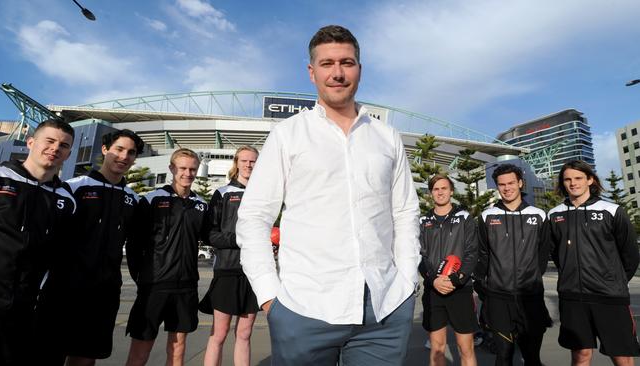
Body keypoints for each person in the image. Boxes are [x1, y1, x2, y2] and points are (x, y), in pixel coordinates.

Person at [236, 25, 421, 365]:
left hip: (382, 309)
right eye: (327, 63)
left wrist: (407, 280)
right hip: (304, 308)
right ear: (311, 72)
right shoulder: (287, 135)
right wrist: (269, 296)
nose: (337, 73)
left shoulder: (386, 137)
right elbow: (254, 217)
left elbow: (405, 213)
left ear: (359, 70)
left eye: (347, 62)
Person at [37, 129, 144, 365]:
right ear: (105, 149)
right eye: (118, 149)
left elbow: (137, 246)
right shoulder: (73, 187)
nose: (124, 156)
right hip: (63, 291)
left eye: (131, 153)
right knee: (50, 355)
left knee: (86, 359)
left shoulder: (133, 199)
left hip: (104, 293)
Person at [0, 119, 76, 366]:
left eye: (63, 145)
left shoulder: (66, 199)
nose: (55, 148)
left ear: (68, 154)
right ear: (30, 142)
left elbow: (61, 251)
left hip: (27, 308)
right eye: (49, 141)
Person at [547, 160, 640, 366]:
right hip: (572, 298)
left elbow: (631, 255)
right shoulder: (554, 215)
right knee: (580, 356)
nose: (573, 183)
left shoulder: (612, 210)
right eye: (568, 179)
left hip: (609, 297)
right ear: (563, 183)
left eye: (578, 178)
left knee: (622, 357)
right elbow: (556, 253)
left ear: (590, 180)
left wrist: (613, 281)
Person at [125, 148, 209, 366]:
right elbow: (134, 245)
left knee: (178, 347)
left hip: (186, 287)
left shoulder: (200, 205)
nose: (187, 173)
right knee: (140, 349)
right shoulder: (151, 200)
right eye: (182, 168)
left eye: (192, 169)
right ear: (172, 168)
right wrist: (142, 278)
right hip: (154, 286)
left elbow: (211, 237)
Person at [474, 163, 551, 366]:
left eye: (511, 183)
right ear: (497, 187)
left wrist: (531, 277)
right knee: (503, 356)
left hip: (530, 298)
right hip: (498, 298)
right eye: (502, 184)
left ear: (520, 183)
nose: (507, 188)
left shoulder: (539, 215)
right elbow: (482, 255)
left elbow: (542, 255)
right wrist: (484, 287)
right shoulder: (486, 216)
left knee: (532, 358)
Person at [200, 145, 260, 366]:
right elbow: (209, 235)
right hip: (227, 270)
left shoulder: (264, 193)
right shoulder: (223, 193)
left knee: (244, 334)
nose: (249, 165)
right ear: (236, 163)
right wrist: (239, 239)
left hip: (254, 273)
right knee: (219, 334)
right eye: (244, 161)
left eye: (253, 161)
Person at [419, 174, 478, 366]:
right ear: (430, 193)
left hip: (460, 289)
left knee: (465, 347)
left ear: (451, 191)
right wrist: (433, 280)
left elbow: (472, 252)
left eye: (444, 188)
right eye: (436, 189)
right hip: (433, 289)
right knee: (437, 348)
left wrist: (455, 279)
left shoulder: (465, 218)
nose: (440, 192)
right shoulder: (423, 221)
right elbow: (420, 256)